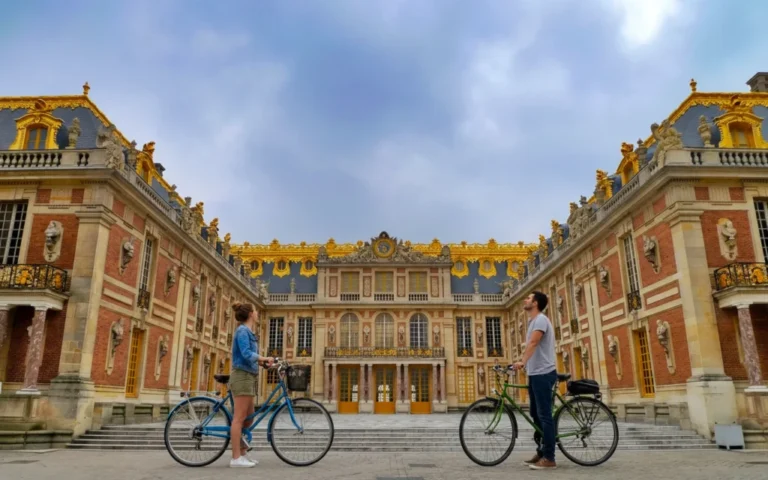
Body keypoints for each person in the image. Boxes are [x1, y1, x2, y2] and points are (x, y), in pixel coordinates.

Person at [513, 291, 557, 470]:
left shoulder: (540, 320)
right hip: (535, 374)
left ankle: (549, 458)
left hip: (543, 373)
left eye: (529, 298)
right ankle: (542, 451)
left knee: (545, 416)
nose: (525, 299)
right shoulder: (532, 321)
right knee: (535, 414)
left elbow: (533, 343)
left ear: (536, 303)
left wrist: (522, 362)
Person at [229, 302, 274, 468]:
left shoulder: (248, 332)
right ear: (250, 314)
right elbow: (246, 353)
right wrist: (264, 358)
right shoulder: (242, 331)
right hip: (242, 376)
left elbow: (250, 356)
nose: (257, 313)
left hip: (249, 376)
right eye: (255, 311)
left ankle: (242, 454)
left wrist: (265, 363)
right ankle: (235, 458)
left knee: (249, 418)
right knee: (239, 418)